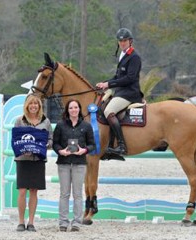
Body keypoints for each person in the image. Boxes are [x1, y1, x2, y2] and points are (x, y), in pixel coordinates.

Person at [96, 27, 143, 156]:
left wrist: (109, 84)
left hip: (130, 93)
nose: (122, 43)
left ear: (130, 41)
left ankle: (121, 145)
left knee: (108, 111)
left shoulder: (134, 57)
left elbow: (130, 78)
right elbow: (118, 77)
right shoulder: (123, 55)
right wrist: (104, 84)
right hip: (120, 91)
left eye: (125, 41)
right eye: (120, 41)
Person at [52, 99, 95, 232]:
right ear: (67, 110)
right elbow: (55, 143)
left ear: (79, 109)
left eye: (76, 107)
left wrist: (84, 150)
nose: (73, 110)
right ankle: (63, 222)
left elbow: (92, 144)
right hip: (63, 163)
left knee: (77, 194)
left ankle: (76, 222)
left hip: (79, 164)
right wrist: (60, 151)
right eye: (71, 108)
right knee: (64, 194)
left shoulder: (86, 126)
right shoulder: (60, 125)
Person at [12, 93, 53, 232]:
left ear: (39, 105)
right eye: (31, 103)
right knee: (22, 190)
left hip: (38, 160)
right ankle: (20, 222)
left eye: (36, 103)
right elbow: (15, 141)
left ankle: (31, 222)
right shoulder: (19, 120)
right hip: (23, 160)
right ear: (27, 106)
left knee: (34, 191)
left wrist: (46, 145)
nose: (33, 106)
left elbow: (51, 140)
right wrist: (23, 149)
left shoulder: (45, 121)